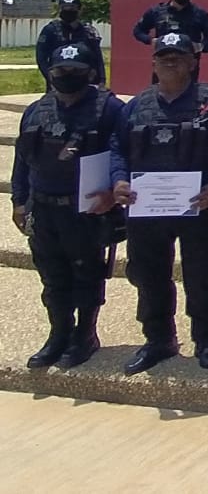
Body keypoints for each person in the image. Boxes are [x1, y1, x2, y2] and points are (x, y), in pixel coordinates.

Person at [109, 33, 208, 374]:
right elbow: (118, 147)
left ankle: (206, 338)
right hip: (146, 208)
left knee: (203, 274)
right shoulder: (136, 105)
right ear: (153, 62)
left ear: (193, 62)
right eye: (163, 56)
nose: (170, 61)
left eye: (178, 56)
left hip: (198, 206)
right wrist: (119, 179)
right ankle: (158, 339)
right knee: (149, 275)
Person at [11, 44, 125, 369]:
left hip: (85, 211)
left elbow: (122, 155)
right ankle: (58, 334)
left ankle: (85, 335)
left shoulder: (110, 109)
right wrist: (19, 201)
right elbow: (23, 161)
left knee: (87, 274)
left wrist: (113, 196)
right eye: (61, 72)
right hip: (44, 208)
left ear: (90, 72)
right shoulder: (36, 109)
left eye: (75, 71)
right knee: (52, 277)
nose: (67, 77)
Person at [132, 0, 208, 80]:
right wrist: (150, 40)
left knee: (188, 95)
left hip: (188, 64)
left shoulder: (199, 13)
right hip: (163, 62)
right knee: (159, 94)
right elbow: (138, 30)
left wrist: (201, 46)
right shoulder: (157, 12)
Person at [35, 0, 106, 86]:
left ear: (79, 10)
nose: (68, 11)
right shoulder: (51, 30)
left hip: (84, 80)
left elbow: (97, 57)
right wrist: (50, 77)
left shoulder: (88, 31)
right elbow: (41, 57)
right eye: (64, 8)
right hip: (59, 80)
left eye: (72, 8)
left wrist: (101, 80)